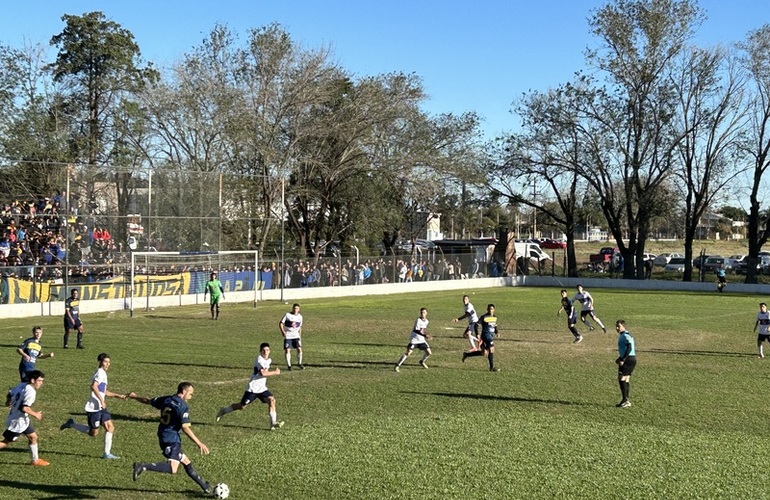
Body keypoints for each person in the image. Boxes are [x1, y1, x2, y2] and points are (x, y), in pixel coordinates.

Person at [129, 382, 212, 495]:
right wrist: (199, 443)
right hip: (171, 439)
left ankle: (204, 486)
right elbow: (185, 428)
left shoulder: (167, 399)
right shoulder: (183, 406)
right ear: (184, 391)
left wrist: (135, 396)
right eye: (190, 394)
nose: (190, 397)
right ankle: (142, 466)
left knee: (186, 461)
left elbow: (148, 400)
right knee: (173, 468)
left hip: (163, 435)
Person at [60, 353, 129, 459]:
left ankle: (106, 453)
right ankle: (71, 424)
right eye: (105, 362)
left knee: (110, 427)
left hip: (101, 407)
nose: (107, 364)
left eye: (109, 362)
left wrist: (118, 395)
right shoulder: (100, 373)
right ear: (100, 362)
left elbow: (103, 391)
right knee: (93, 433)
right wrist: (101, 401)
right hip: (94, 408)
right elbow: (94, 386)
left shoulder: (103, 374)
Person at [215, 342, 285, 430]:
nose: (265, 352)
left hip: (262, 388)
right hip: (252, 389)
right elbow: (263, 373)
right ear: (260, 351)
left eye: (267, 350)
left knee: (272, 400)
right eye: (263, 350)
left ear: (269, 351)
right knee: (241, 406)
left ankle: (273, 423)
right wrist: (276, 372)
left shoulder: (269, 360)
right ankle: (223, 410)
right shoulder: (259, 360)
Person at [0, 369, 49, 466]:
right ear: (32, 380)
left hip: (22, 419)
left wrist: (8, 401)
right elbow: (24, 408)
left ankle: (35, 460)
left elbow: (10, 392)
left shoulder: (21, 385)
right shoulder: (31, 392)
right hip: (18, 421)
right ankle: (35, 460)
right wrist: (36, 414)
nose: (41, 383)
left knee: (33, 437)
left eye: (42, 381)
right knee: (5, 442)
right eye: (39, 381)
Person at [462, 304, 501, 372]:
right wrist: (477, 334)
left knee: (484, 353)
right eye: (489, 309)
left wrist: (497, 332)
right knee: (491, 349)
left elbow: (495, 325)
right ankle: (492, 368)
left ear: (494, 310)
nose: (490, 310)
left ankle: (467, 354)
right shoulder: (484, 317)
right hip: (486, 335)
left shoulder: (494, 317)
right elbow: (476, 324)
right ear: (487, 309)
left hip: (490, 335)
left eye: (491, 309)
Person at [395, 307, 432, 372]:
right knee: (408, 353)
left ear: (426, 313)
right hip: (414, 340)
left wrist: (427, 335)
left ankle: (422, 361)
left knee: (429, 353)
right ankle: (397, 366)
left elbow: (422, 330)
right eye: (421, 312)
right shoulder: (418, 320)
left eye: (424, 312)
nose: (422, 314)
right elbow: (416, 330)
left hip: (421, 340)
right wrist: (425, 335)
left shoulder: (427, 321)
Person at [615, 320, 637, 408]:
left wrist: (623, 359)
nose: (617, 328)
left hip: (629, 359)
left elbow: (629, 348)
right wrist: (620, 357)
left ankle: (625, 400)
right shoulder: (623, 335)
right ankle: (625, 400)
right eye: (616, 326)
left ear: (624, 326)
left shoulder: (626, 335)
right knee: (626, 379)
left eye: (619, 326)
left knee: (622, 378)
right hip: (629, 358)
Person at [279, 303, 304, 370]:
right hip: (288, 335)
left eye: (297, 308)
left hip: (296, 335)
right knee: (287, 350)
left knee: (299, 349)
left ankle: (299, 363)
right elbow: (281, 323)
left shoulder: (300, 317)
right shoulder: (287, 315)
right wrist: (283, 332)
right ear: (292, 308)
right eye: (294, 308)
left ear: (299, 309)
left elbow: (300, 327)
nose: (295, 310)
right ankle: (289, 366)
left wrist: (300, 336)